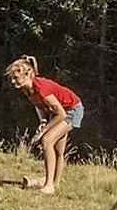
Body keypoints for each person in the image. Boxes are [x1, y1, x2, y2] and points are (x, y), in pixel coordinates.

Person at [5, 55, 84, 194]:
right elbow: (39, 105)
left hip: (72, 110)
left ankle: (49, 185)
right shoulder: (28, 91)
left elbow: (61, 114)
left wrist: (44, 131)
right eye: (12, 78)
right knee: (59, 150)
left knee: (47, 141)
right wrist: (43, 121)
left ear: (28, 74)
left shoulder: (41, 88)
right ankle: (55, 184)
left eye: (16, 77)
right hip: (58, 111)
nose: (13, 81)